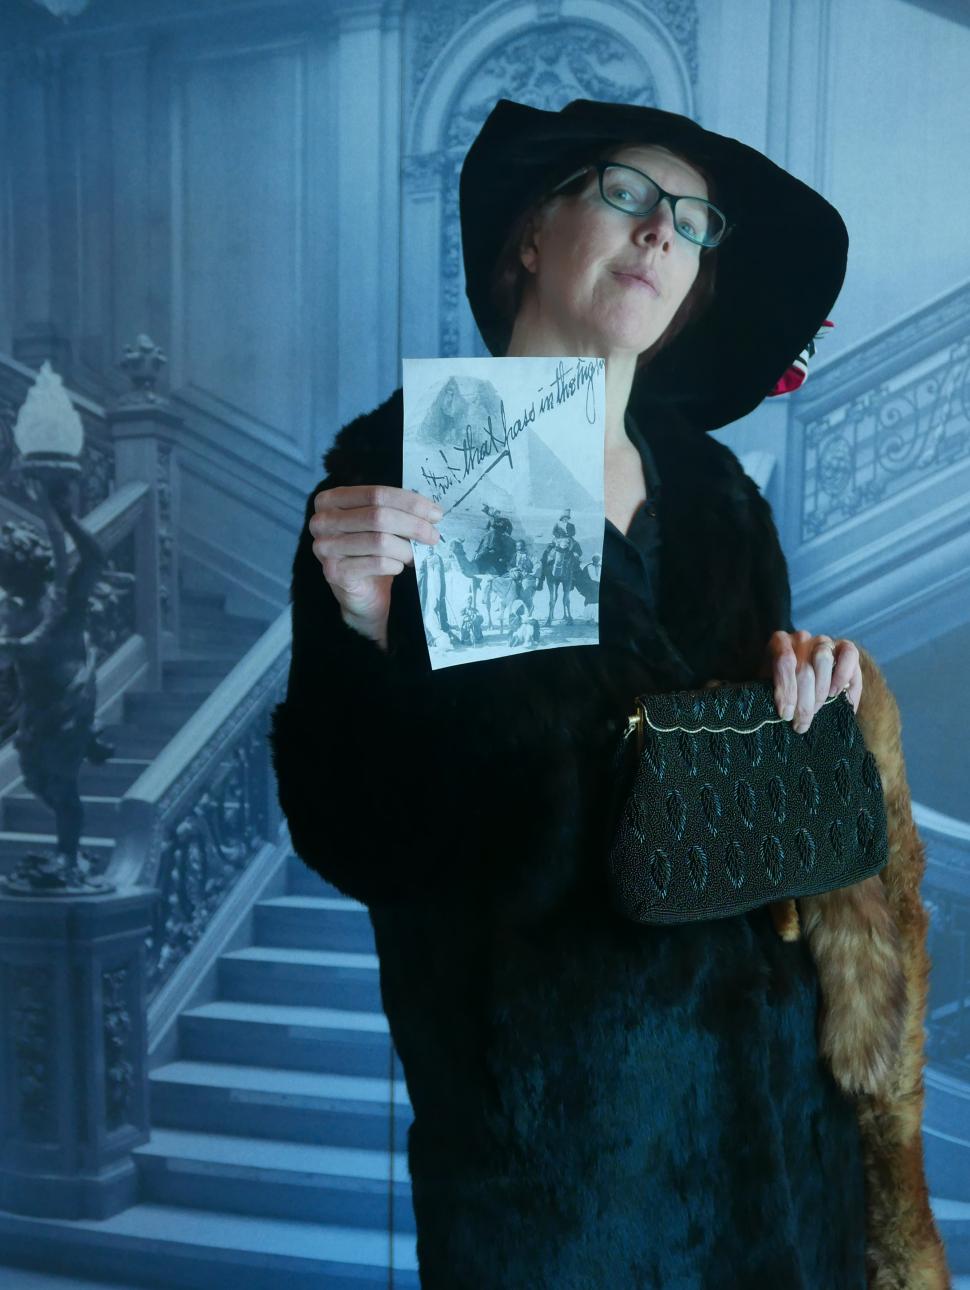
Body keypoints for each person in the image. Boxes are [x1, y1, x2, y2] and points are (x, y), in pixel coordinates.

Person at [269, 100, 947, 1288]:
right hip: (556, 1151)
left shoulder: (717, 492)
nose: (658, 233)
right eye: (626, 195)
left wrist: (818, 698)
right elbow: (357, 830)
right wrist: (382, 644)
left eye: (689, 221)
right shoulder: (394, 477)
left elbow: (759, 805)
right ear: (531, 234)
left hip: (774, 1120)